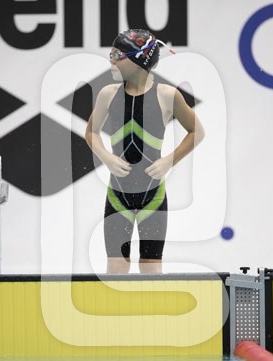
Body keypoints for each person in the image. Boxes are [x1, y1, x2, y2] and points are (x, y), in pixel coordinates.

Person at [85, 29, 205, 274]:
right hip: (118, 195)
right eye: (111, 53)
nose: (111, 60)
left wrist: (169, 160)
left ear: (139, 61)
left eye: (117, 55)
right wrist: (106, 158)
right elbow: (91, 132)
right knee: (116, 268)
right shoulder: (108, 94)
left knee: (151, 268)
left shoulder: (167, 95)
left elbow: (197, 132)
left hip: (153, 196)